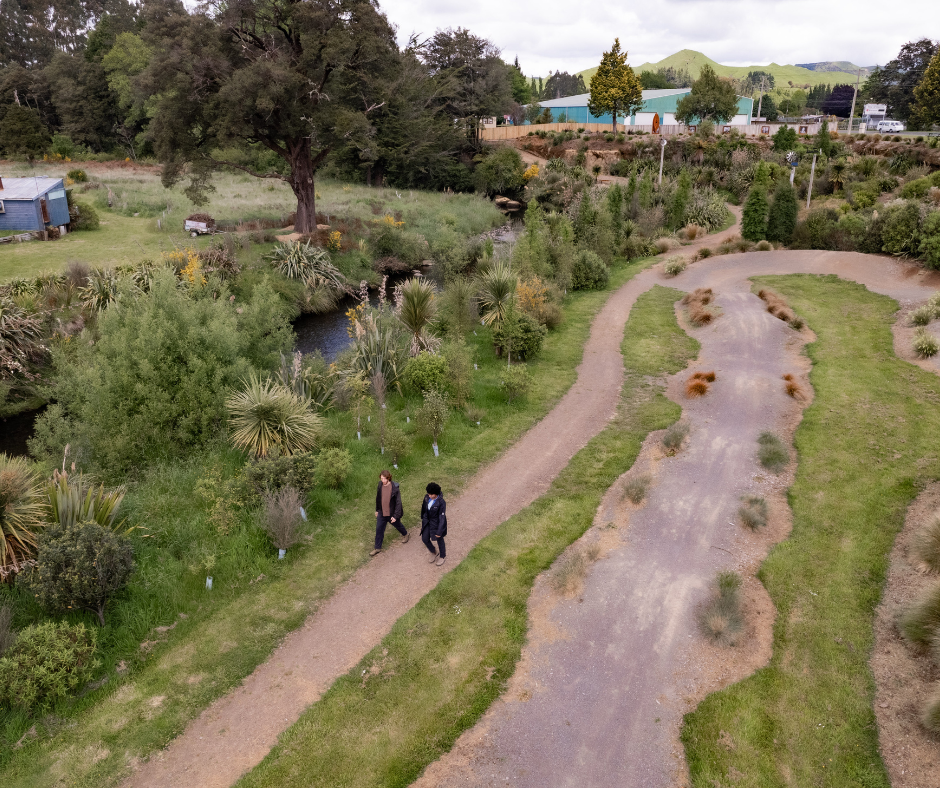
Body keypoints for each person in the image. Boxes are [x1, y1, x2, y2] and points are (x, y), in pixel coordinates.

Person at [372, 470, 408, 556]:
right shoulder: (380, 485)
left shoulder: (395, 488)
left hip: (391, 513)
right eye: (381, 478)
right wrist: (377, 510)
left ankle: (406, 534)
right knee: (379, 529)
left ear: (388, 478)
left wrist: (395, 516)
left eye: (384, 479)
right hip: (381, 512)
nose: (383, 480)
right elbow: (378, 498)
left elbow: (398, 503)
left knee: (398, 525)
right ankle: (377, 548)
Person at [420, 482, 447, 567]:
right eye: (429, 493)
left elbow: (442, 517)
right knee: (424, 538)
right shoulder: (426, 497)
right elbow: (423, 508)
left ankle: (442, 556)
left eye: (431, 494)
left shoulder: (441, 502)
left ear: (436, 494)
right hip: (427, 521)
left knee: (439, 539)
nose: (429, 496)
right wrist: (423, 518)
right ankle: (434, 551)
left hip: (437, 523)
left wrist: (440, 531)